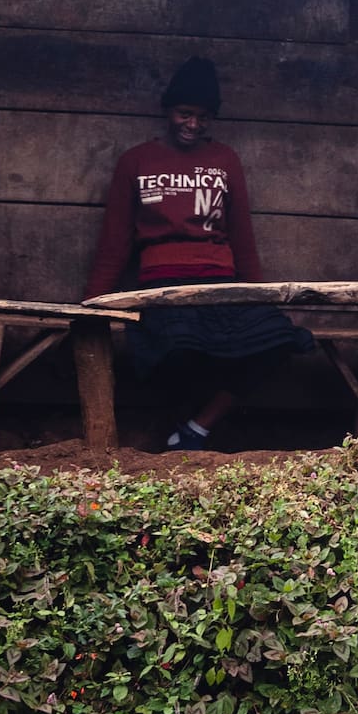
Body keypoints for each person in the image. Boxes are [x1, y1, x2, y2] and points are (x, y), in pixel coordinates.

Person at [85, 55, 309, 449]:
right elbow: (115, 241)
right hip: (163, 286)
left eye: (203, 117)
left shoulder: (224, 160)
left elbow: (242, 236)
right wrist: (92, 305)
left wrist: (256, 295)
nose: (193, 124)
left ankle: (196, 430)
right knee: (178, 347)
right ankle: (173, 434)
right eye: (185, 113)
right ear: (168, 111)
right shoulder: (136, 161)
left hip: (220, 284)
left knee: (277, 340)